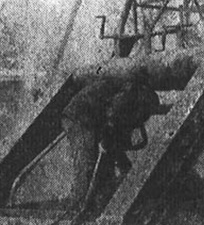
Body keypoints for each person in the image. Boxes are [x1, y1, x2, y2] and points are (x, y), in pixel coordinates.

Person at [61, 68, 160, 211]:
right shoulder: (130, 93)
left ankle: (98, 204)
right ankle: (77, 209)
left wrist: (124, 164)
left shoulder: (126, 89)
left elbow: (115, 131)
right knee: (87, 163)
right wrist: (109, 144)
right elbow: (112, 116)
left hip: (90, 118)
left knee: (104, 164)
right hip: (80, 117)